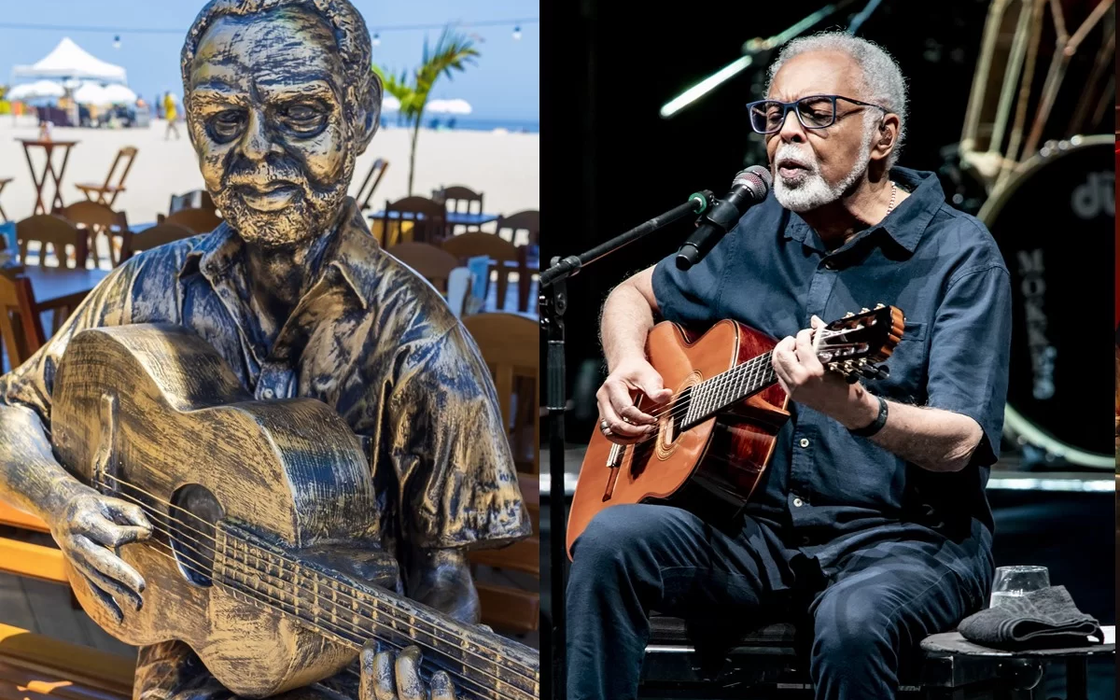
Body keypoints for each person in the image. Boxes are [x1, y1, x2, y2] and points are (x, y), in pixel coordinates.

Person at [0, 1, 531, 699]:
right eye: (224, 120)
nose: (255, 151)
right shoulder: (148, 287)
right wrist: (63, 498)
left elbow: (444, 586)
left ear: (361, 114)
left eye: (299, 114)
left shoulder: (424, 347)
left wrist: (431, 675)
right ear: (193, 126)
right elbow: (15, 409)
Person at [567, 32, 1011, 700]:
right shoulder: (752, 229)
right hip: (759, 538)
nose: (787, 135)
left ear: (883, 134)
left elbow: (962, 442)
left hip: (908, 544)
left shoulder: (959, 254)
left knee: (852, 623)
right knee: (610, 541)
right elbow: (632, 293)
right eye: (773, 116)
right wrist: (629, 362)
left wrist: (860, 412)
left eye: (818, 113)